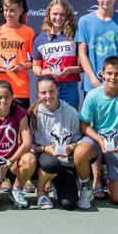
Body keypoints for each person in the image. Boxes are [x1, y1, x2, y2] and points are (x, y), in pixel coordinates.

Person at [75, 56, 118, 206]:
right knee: (80, 152)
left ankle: (107, 179)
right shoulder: (92, 96)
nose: (113, 77)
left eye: (117, 74)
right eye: (109, 73)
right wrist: (99, 140)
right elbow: (84, 125)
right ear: (102, 73)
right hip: (97, 142)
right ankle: (86, 188)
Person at [0, 80, 36, 210]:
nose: (3, 101)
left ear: (12, 97)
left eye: (7, 97)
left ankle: (16, 189)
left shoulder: (20, 113)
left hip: (12, 163)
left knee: (29, 159)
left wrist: (9, 162)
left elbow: (27, 143)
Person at [27, 76, 82, 210]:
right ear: (38, 93)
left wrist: (70, 147)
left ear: (57, 90)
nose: (48, 96)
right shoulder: (32, 114)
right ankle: (41, 191)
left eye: (51, 91)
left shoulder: (71, 112)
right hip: (43, 160)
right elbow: (28, 146)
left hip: (64, 162)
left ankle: (56, 184)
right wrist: (46, 148)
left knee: (69, 204)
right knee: (51, 162)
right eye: (43, 92)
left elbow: (77, 140)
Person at [31, 0, 83, 110]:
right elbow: (35, 66)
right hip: (47, 88)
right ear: (48, 15)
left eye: (62, 14)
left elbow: (83, 66)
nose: (58, 18)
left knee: (70, 123)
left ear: (67, 16)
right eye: (55, 14)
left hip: (69, 87)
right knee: (46, 123)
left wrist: (69, 70)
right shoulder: (39, 39)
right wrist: (42, 71)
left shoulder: (75, 35)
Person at [0, 0, 35, 109]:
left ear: (20, 10)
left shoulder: (29, 32)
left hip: (21, 89)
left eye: (12, 10)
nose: (8, 14)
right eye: (6, 10)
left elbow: (35, 62)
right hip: (0, 88)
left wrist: (23, 66)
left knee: (21, 124)